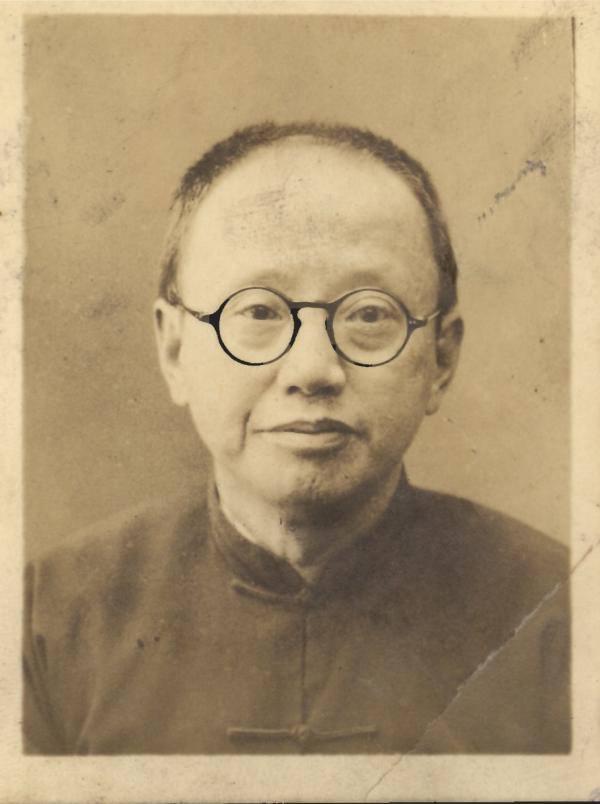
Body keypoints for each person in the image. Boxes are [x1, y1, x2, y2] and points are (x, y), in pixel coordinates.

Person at [23, 122, 570, 755]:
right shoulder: (48, 619)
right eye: (259, 311)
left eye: (369, 313)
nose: (313, 370)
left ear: (441, 359)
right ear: (174, 350)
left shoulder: (562, 615)